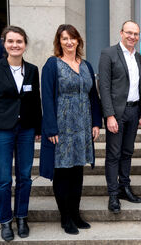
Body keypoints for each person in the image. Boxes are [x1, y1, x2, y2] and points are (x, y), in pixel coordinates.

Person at [0, 25, 42, 241]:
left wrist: (39, 128)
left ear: (25, 45)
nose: (15, 45)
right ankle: (5, 221)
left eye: (19, 41)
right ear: (4, 44)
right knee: (4, 180)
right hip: (1, 131)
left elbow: (35, 101)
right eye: (11, 41)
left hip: (26, 129)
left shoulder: (32, 70)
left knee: (25, 177)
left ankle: (22, 217)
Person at [40, 24, 102, 235]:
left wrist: (96, 122)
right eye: (64, 38)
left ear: (78, 41)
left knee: (77, 172)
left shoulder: (86, 65)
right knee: (62, 172)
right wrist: (50, 128)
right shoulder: (52, 65)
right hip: (62, 126)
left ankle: (75, 214)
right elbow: (46, 98)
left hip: (83, 125)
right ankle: (65, 218)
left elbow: (94, 96)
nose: (69, 42)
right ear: (59, 42)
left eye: (72, 38)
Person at [98, 20, 141, 214]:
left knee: (127, 152)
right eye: (129, 33)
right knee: (113, 154)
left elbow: (138, 84)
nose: (132, 36)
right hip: (117, 113)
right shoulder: (108, 54)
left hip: (134, 111)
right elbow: (104, 87)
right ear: (121, 33)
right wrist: (109, 115)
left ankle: (125, 187)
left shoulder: (138, 57)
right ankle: (113, 194)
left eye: (135, 34)